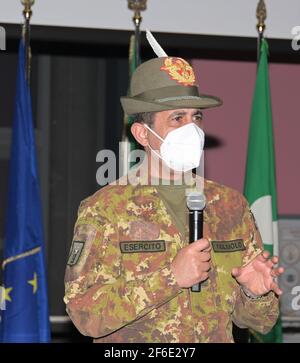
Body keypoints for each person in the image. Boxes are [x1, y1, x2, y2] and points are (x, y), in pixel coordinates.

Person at [64, 55, 284, 343]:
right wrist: (171, 277)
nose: (191, 129)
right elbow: (84, 314)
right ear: (143, 133)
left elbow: (259, 323)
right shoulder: (105, 209)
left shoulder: (230, 204)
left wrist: (254, 292)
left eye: (196, 117)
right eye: (177, 118)